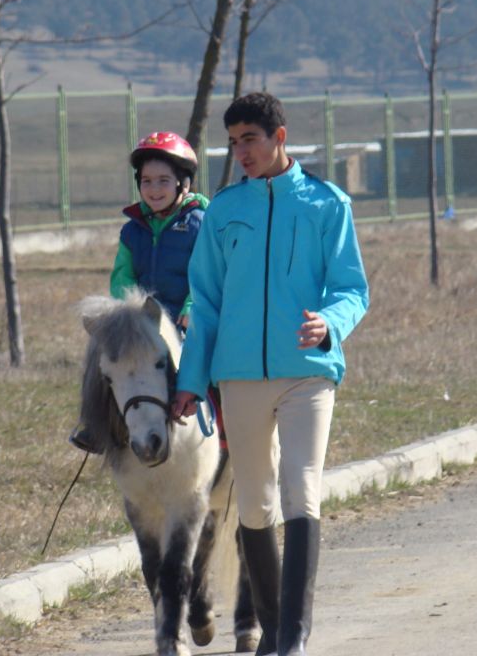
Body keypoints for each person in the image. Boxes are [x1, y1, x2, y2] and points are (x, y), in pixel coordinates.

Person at [172, 92, 369, 656]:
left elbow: (351, 288)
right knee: (254, 502)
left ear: (279, 137)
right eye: (232, 142)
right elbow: (204, 302)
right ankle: (275, 628)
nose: (240, 152)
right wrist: (191, 379)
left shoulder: (327, 204)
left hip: (308, 372)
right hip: (238, 375)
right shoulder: (225, 212)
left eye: (249, 140)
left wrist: (329, 324)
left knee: (300, 489)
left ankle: (294, 638)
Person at [70, 131, 209, 454]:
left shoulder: (201, 224)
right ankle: (98, 426)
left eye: (163, 180)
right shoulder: (133, 230)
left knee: (209, 363)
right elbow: (122, 277)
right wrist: (126, 314)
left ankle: (227, 429)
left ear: (183, 183)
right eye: (146, 181)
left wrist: (193, 306)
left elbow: (206, 275)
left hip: (187, 319)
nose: (154, 189)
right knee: (106, 359)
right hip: (143, 322)